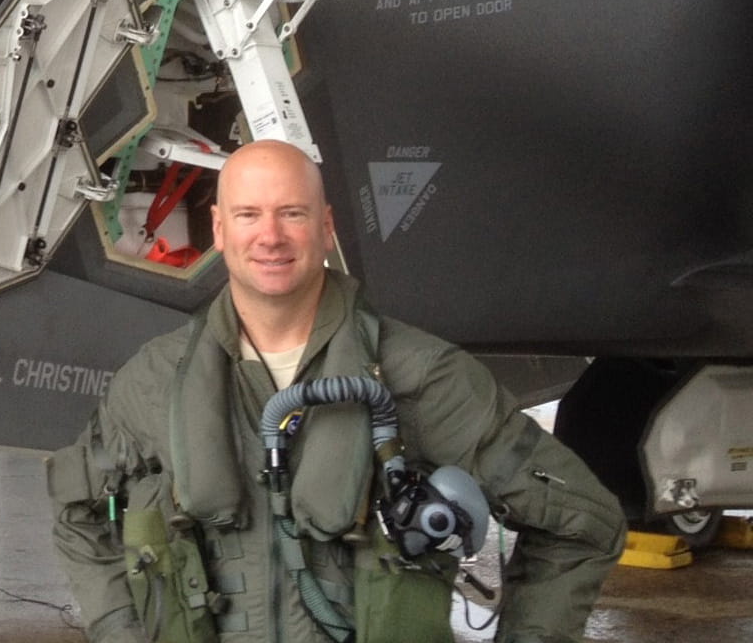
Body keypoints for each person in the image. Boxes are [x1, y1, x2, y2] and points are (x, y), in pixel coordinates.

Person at [48, 139, 626, 643]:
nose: (270, 236)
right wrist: (121, 631)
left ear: (325, 227)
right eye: (249, 214)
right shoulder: (157, 378)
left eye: (291, 213)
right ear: (219, 230)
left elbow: (583, 521)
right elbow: (77, 510)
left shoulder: (420, 374)